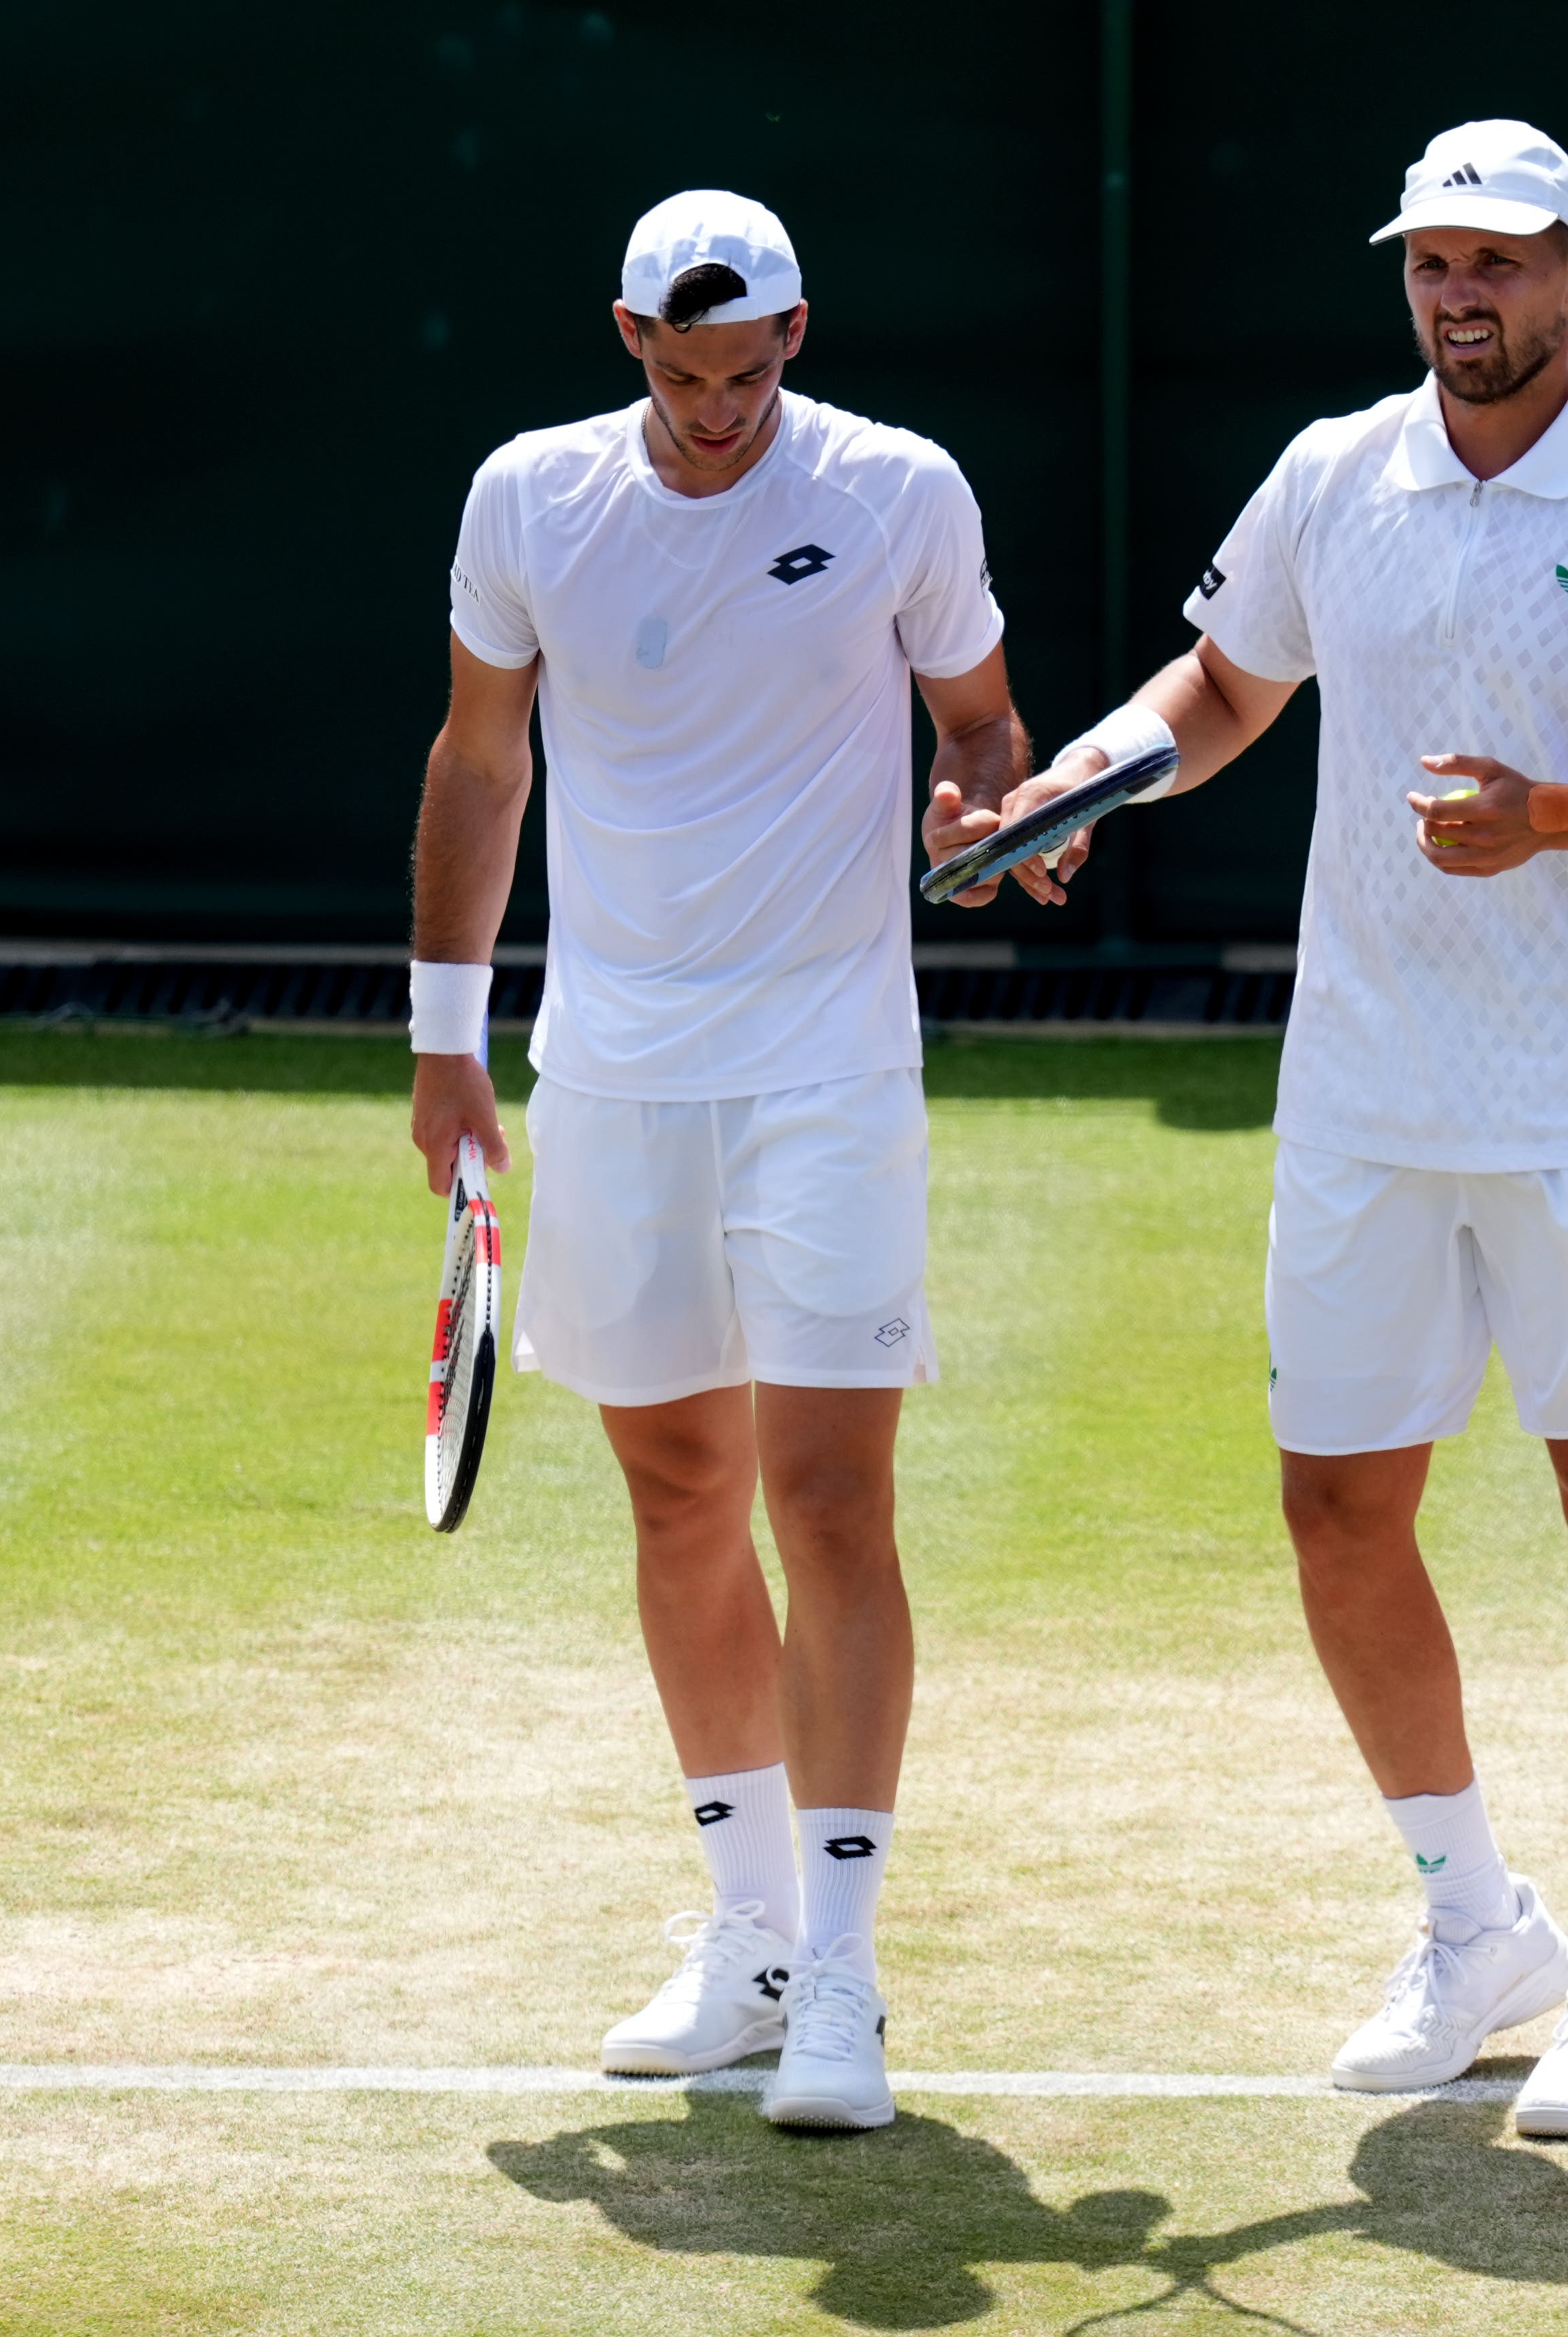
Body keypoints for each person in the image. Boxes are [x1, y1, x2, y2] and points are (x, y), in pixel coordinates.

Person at [974, 121, 1568, 2136]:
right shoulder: (1332, 472)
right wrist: (1065, 796)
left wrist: (1558, 816)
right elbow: (1218, 687)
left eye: (1504, 265)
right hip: (1364, 1093)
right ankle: (1479, 1931)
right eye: (1434, 266)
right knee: (1338, 1512)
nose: (1464, 298)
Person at [406, 188, 1040, 2132]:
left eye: (751, 373)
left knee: (831, 1496)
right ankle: (748, 1933)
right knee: (679, 1493)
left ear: (796, 337)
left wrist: (1000, 807)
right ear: (626, 339)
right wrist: (445, 1041)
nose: (717, 411)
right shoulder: (530, 498)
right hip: (614, 1070)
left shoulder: (904, 491)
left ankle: (844, 1976)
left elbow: (986, 726)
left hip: (831, 1069)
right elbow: (480, 761)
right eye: (684, 377)